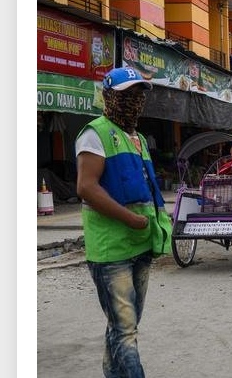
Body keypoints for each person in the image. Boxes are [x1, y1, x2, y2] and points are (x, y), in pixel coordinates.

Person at [75, 66, 167, 377]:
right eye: (128, 94)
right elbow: (86, 187)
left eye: (140, 94)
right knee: (125, 330)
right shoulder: (95, 133)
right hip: (112, 250)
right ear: (110, 97)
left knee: (123, 324)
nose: (136, 100)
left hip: (141, 244)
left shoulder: (137, 137)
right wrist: (131, 219)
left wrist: (158, 226)